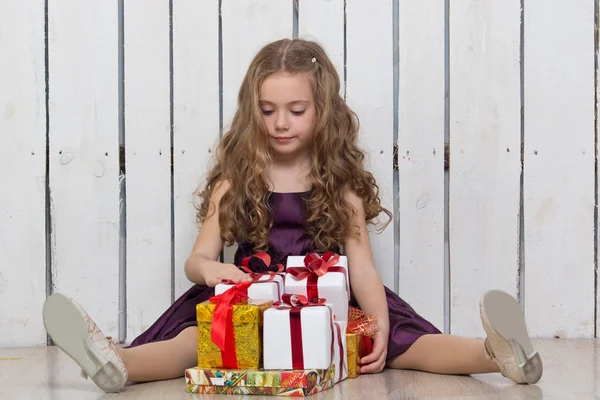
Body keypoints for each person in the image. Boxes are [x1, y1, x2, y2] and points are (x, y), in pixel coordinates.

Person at [42, 38, 543, 393]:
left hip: (325, 298)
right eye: (267, 109)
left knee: (407, 345)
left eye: (296, 110)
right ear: (251, 110)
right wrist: (213, 271)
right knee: (195, 343)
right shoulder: (236, 181)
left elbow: (362, 267)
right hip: (250, 293)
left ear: (322, 109)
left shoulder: (338, 185)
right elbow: (198, 260)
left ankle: (498, 354)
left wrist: (382, 324)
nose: (280, 123)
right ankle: (115, 362)